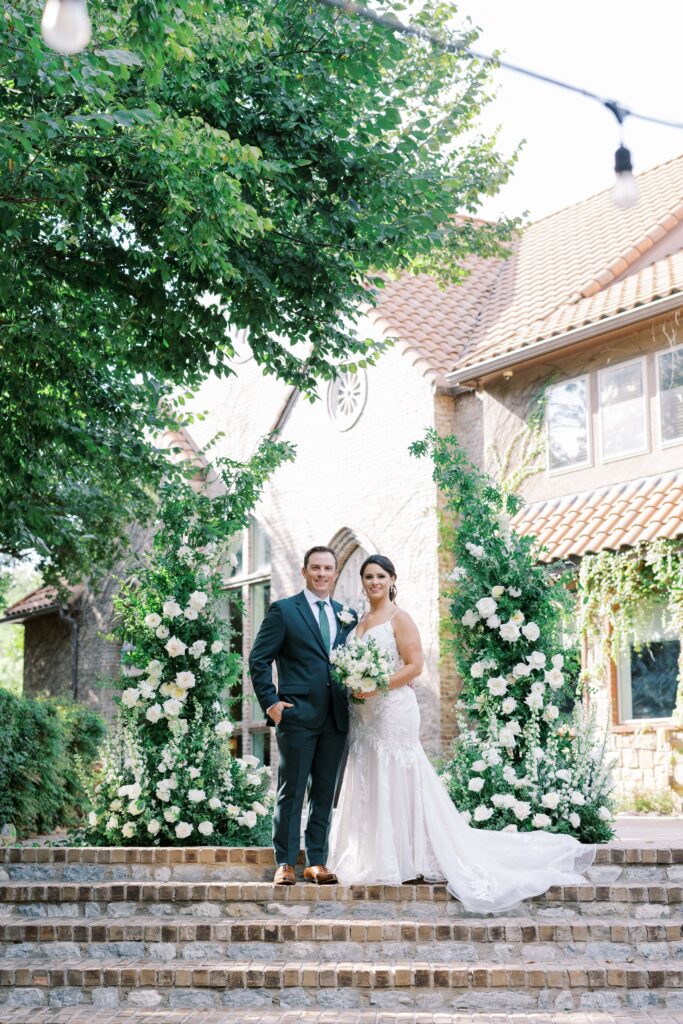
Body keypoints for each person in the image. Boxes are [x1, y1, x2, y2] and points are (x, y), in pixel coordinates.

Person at [328, 554, 595, 914]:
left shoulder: (399, 618)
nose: (373, 582)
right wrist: (356, 683)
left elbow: (415, 666)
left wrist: (375, 685)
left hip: (393, 711)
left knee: (398, 773)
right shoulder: (359, 623)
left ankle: (407, 856)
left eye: (379, 576)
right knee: (367, 772)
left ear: (392, 578)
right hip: (364, 715)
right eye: (367, 576)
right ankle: (372, 853)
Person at [249, 545, 358, 886]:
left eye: (328, 568)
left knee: (325, 793)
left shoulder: (347, 615)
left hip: (336, 716)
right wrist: (271, 704)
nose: (322, 574)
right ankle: (285, 862)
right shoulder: (284, 611)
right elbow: (259, 659)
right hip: (296, 715)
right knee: (291, 791)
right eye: (316, 568)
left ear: (335, 572)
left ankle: (317, 861)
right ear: (304, 571)